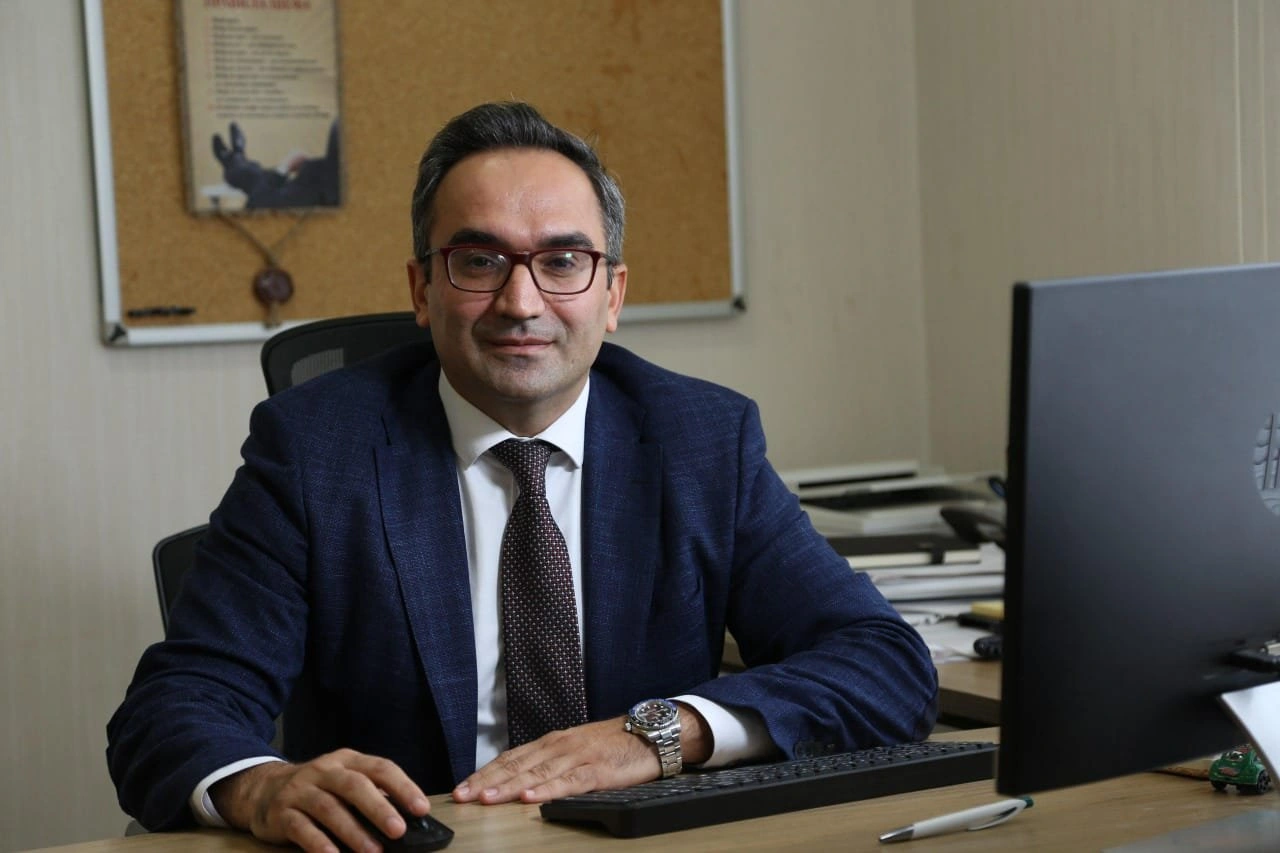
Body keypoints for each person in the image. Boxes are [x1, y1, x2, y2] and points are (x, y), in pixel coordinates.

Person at [108, 102, 937, 852]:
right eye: (479, 260)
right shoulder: (317, 449)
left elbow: (884, 664)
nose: (521, 301)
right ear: (421, 289)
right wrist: (261, 786)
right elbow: (173, 707)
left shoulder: (701, 440)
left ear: (611, 295)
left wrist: (660, 732)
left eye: (563, 260)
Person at [211, 119, 341, 209]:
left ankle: (234, 157)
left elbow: (257, 203)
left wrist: (285, 167)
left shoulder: (319, 193)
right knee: (258, 175)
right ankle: (235, 156)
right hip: (288, 189)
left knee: (253, 179)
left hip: (275, 194)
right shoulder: (329, 179)